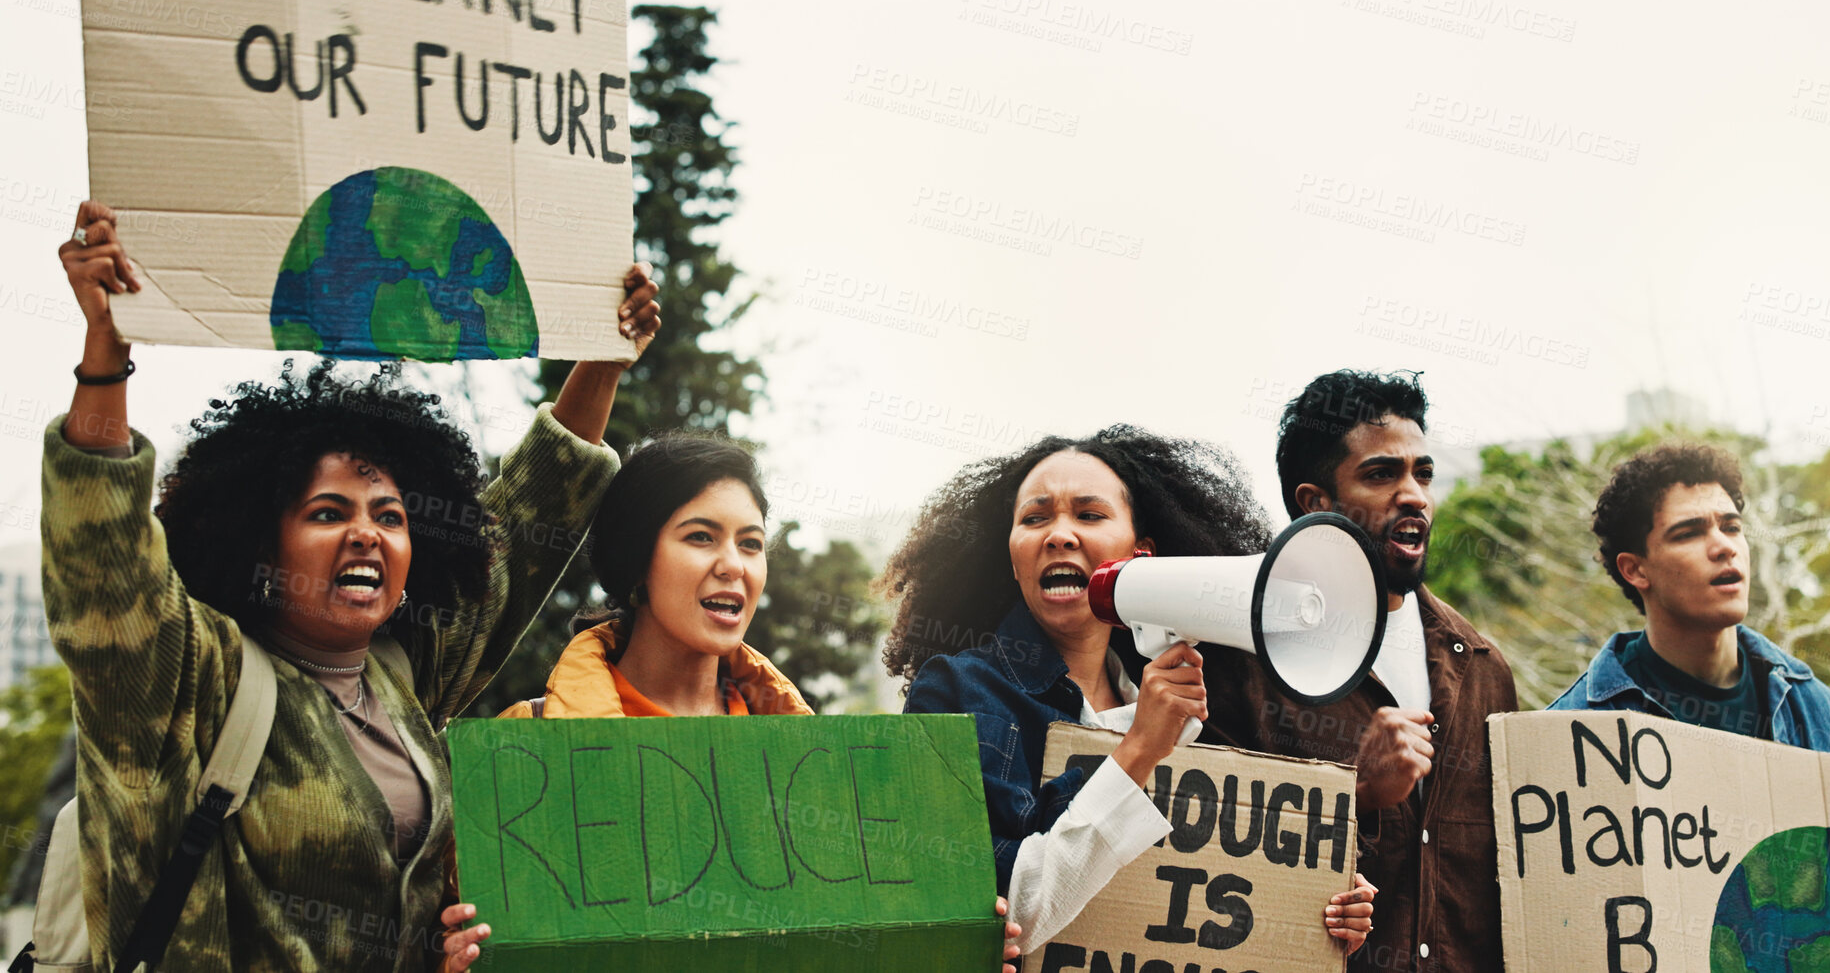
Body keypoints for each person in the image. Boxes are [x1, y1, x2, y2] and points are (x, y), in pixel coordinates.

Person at [45, 200, 655, 970]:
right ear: (258, 538)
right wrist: (105, 352)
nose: (367, 532)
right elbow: (104, 566)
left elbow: (529, 522)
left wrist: (601, 358)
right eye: (329, 512)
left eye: (391, 515)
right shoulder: (189, 679)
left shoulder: (403, 673)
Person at [434, 434, 1026, 972]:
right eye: (700, 537)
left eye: (751, 544)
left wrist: (951, 942)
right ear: (637, 561)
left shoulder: (819, 771)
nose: (732, 567)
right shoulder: (525, 747)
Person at [882, 426, 1377, 957]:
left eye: (1089, 515)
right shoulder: (955, 690)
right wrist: (1138, 752)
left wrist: (1307, 908)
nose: (1059, 535)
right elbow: (1002, 913)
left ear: (1141, 558)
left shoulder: (1180, 722)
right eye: (1034, 518)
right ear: (1012, 556)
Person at [1550, 442, 1830, 972]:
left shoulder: (1818, 713)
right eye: (1689, 533)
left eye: (1730, 527)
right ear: (1636, 569)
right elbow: (1567, 928)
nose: (1724, 547)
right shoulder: (1574, 731)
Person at [1201, 369, 1516, 973]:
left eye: (1423, 473)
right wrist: (1359, 795)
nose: (1414, 495)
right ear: (1315, 503)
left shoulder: (1481, 668)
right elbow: (1213, 867)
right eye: (1381, 474)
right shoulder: (1241, 663)